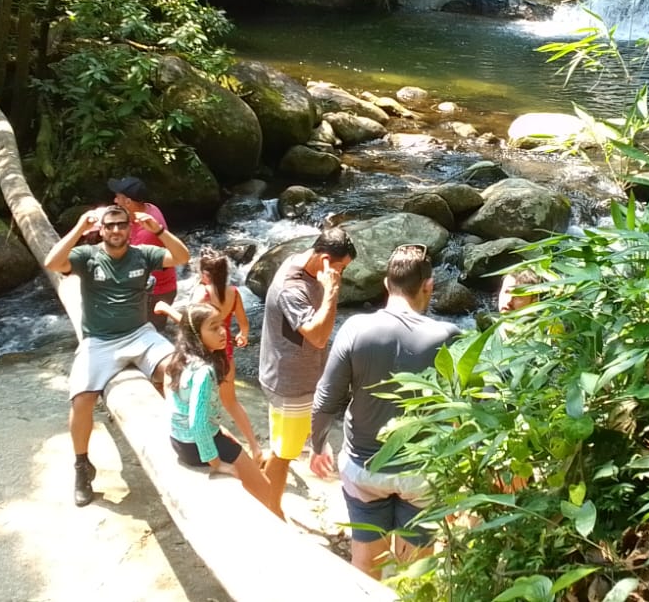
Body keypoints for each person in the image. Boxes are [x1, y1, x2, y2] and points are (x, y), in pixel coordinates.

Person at [309, 244, 459, 578]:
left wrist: (317, 444)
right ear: (428, 286)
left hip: (364, 469)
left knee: (365, 562)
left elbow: (325, 400)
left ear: (386, 285)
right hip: (420, 473)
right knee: (416, 569)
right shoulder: (446, 336)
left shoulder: (354, 330)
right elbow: (465, 408)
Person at [44, 204, 191, 507]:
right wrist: (79, 228)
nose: (115, 231)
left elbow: (182, 257)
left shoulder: (142, 254)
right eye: (109, 226)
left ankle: (186, 436)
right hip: (99, 341)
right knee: (81, 399)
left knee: (180, 370)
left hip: (141, 334)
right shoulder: (87, 257)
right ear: (101, 229)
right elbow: (52, 261)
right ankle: (82, 466)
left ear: (128, 227)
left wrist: (158, 230)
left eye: (120, 225)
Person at [257, 225, 357, 517]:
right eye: (340, 268)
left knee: (284, 442)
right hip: (289, 382)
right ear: (324, 259)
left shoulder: (302, 260)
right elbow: (317, 336)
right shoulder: (293, 287)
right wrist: (332, 290)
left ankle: (264, 474)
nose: (342, 274)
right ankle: (271, 509)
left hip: (295, 373)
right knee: (285, 453)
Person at [165, 301, 280, 515]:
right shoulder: (204, 373)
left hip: (179, 440)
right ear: (197, 334)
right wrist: (216, 463)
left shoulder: (180, 358)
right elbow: (197, 423)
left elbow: (177, 406)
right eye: (213, 327)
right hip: (197, 447)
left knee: (229, 439)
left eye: (223, 325)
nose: (222, 332)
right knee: (267, 490)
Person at [156, 248, 260, 460]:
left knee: (175, 383)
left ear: (204, 274)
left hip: (204, 356)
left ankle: (190, 433)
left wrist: (166, 309)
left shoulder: (202, 293)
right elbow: (244, 325)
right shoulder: (234, 293)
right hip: (226, 354)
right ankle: (255, 447)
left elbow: (192, 326)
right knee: (231, 402)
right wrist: (243, 336)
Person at [108, 176, 178, 331]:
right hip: (160, 287)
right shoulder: (148, 208)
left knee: (148, 334)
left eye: (118, 197)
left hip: (156, 292)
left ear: (128, 202)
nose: (115, 200)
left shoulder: (145, 234)